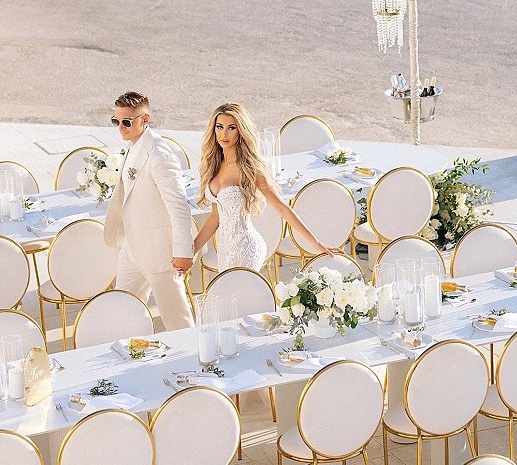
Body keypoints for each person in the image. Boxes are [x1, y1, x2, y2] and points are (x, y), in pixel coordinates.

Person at [195, 103, 341, 270]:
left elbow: (282, 207)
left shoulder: (250, 168)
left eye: (231, 127)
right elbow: (215, 217)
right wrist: (191, 251)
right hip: (225, 252)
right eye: (219, 127)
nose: (224, 134)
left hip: (246, 249)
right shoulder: (214, 165)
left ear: (241, 131)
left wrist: (316, 243)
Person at [104, 91, 195, 330]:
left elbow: (179, 208)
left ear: (145, 119)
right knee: (122, 309)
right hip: (132, 248)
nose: (120, 127)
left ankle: (193, 360)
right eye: (116, 121)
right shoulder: (133, 146)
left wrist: (184, 252)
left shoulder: (160, 156)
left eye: (126, 122)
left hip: (159, 253)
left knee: (177, 320)